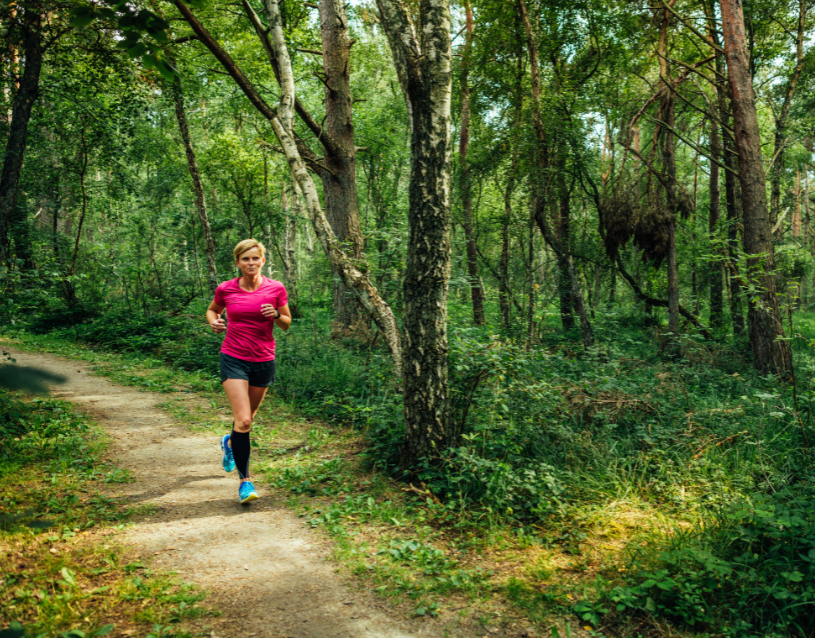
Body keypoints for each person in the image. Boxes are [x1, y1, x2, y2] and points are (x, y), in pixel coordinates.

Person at [206, 239, 291, 503]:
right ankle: (245, 482)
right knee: (243, 421)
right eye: (245, 259)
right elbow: (212, 310)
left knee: (248, 419)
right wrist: (214, 322)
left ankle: (230, 443)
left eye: (255, 258)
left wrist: (276, 315)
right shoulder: (226, 288)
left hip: (264, 360)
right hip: (233, 358)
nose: (251, 263)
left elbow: (286, 323)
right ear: (237, 262)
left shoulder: (276, 288)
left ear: (263, 261)